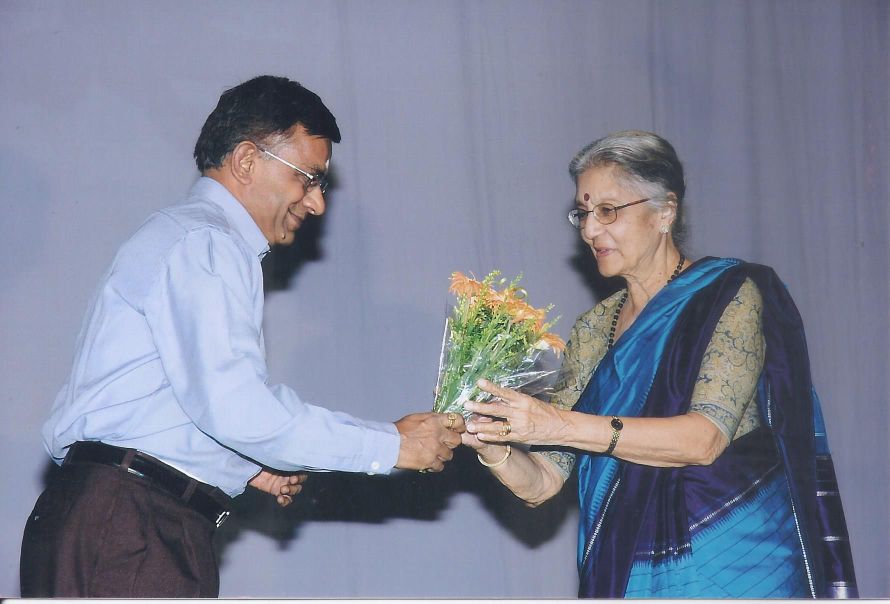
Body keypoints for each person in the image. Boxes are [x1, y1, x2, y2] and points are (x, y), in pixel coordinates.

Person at [20, 75, 465, 598]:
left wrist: (241, 463)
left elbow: (168, 397)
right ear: (248, 161)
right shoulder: (208, 243)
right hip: (134, 528)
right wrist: (391, 446)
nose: (318, 203)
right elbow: (233, 407)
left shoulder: (187, 236)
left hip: (119, 522)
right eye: (310, 178)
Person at [462, 130, 857, 598]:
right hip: (629, 569)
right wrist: (493, 445)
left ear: (665, 211)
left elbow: (704, 439)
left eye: (608, 211)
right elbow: (545, 482)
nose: (590, 230)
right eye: (583, 214)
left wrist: (557, 425)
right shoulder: (593, 329)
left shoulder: (729, 293)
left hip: (735, 560)